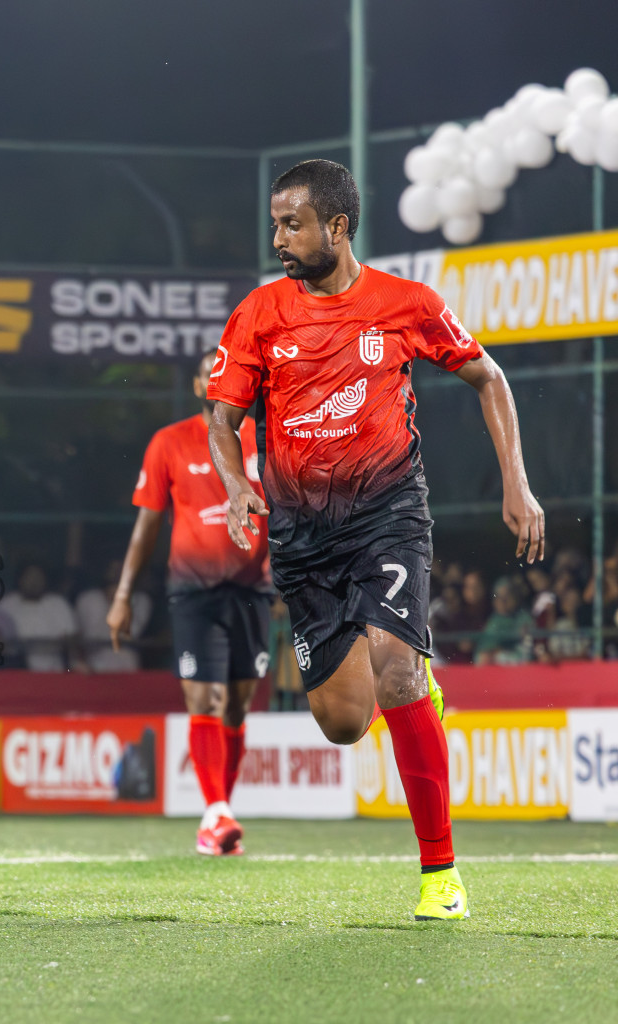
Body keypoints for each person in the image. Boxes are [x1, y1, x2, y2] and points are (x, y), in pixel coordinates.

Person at [207, 159, 543, 922]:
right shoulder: (260, 313)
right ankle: (416, 683)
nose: (278, 238)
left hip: (387, 513)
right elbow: (222, 419)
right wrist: (235, 485)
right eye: (274, 224)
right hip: (300, 534)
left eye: (291, 224)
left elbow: (488, 377)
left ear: (338, 227)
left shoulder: (406, 304)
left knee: (395, 673)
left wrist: (515, 482)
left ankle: (441, 877)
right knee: (343, 722)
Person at [107, 349, 272, 856]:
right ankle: (216, 814)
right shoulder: (169, 442)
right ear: (198, 384)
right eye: (208, 373)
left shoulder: (261, 438)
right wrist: (123, 595)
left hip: (252, 589)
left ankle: (219, 808)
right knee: (207, 700)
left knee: (238, 705)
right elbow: (147, 525)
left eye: (226, 373)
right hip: (192, 591)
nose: (216, 379)